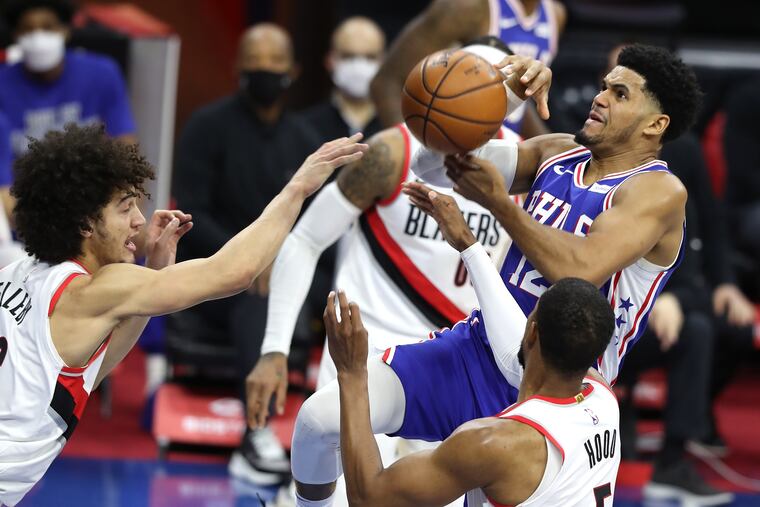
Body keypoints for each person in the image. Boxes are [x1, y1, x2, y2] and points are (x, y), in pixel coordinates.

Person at [290, 43, 700, 505]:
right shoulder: (558, 152)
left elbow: (578, 270)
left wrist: (500, 205)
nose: (600, 97)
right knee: (317, 419)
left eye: (620, 94)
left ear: (655, 124)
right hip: (478, 349)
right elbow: (433, 163)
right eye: (604, 87)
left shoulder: (659, 192)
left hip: (556, 387)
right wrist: (504, 96)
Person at [0, 123, 366, 507]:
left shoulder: (19, 274)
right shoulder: (95, 289)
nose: (139, 221)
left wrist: (154, 278)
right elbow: (234, 271)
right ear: (86, 224)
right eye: (125, 208)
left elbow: (86, 373)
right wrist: (298, 189)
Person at [171, 23, 323, 485]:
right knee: (251, 291)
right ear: (238, 70)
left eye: (274, 66)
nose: (264, 74)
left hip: (290, 273)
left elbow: (317, 227)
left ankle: (336, 429)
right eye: (254, 66)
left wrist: (282, 261)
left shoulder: (304, 138)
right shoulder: (206, 126)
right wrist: (244, 259)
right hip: (217, 276)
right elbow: (191, 212)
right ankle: (255, 432)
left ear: (292, 72)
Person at [327, 275, 619, 507]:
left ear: (531, 331)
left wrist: (351, 374)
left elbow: (370, 499)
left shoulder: (494, 444)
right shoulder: (604, 398)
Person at [0, 0, 137, 219]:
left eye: (48, 27)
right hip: (27, 225)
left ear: (65, 30)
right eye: (28, 29)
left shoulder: (101, 74)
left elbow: (128, 157)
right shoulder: (2, 85)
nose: (38, 38)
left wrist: (126, 215)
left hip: (96, 216)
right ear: (15, 35)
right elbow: (3, 194)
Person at [370, 0, 566, 137]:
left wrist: (552, 153)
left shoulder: (556, 14)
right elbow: (386, 82)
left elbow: (518, 102)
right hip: (451, 144)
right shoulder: (468, 6)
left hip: (502, 151)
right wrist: (409, 151)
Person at [301, 16, 385, 141]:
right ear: (329, 61)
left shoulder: (399, 126)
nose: (359, 67)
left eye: (370, 57)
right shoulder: (304, 128)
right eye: (348, 56)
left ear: (384, 62)